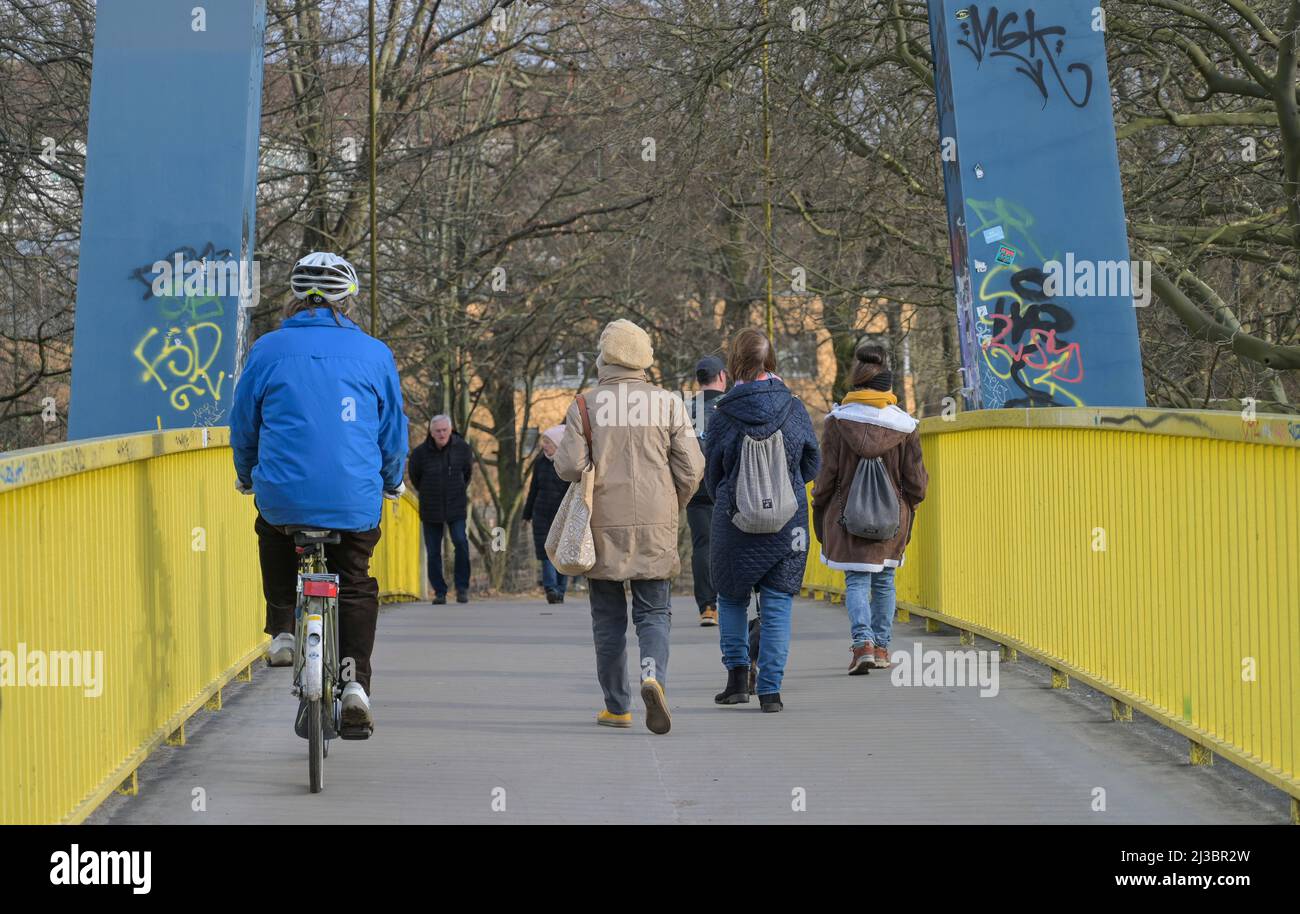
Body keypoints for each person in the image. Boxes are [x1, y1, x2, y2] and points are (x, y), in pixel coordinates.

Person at [230, 251, 408, 737]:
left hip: (284, 494)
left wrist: (247, 474)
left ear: (295, 297)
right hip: (353, 498)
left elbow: (244, 424)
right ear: (346, 301)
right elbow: (392, 432)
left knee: (272, 527)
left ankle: (284, 629)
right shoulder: (374, 353)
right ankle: (355, 686)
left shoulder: (266, 351)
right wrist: (392, 480)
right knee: (354, 578)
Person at [554, 319, 704, 735]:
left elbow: (568, 466)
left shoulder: (585, 404)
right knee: (654, 612)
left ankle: (617, 707)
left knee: (608, 619)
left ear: (605, 357)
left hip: (602, 524)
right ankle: (651, 676)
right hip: (658, 520)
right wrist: (674, 502)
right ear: (644, 359)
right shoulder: (668, 403)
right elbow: (692, 468)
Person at [704, 328, 819, 713]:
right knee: (777, 603)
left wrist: (740, 496)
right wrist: (782, 491)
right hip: (789, 525)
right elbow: (811, 463)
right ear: (771, 362)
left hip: (734, 521)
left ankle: (738, 680)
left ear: (735, 363)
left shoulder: (723, 414)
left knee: (732, 598)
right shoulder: (794, 408)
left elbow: (713, 474)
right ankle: (770, 691)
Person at [812, 341, 928, 674]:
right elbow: (916, 481)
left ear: (856, 382)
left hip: (848, 517)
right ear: (887, 387)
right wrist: (908, 505)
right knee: (885, 581)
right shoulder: (906, 425)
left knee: (857, 581)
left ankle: (861, 644)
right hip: (892, 518)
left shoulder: (837, 422)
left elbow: (827, 475)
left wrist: (819, 502)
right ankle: (881, 648)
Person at [409, 414, 474, 604]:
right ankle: (440, 591)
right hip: (430, 507)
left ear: (450, 430)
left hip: (456, 505)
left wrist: (458, 488)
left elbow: (467, 474)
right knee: (434, 551)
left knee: (461, 543)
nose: (442, 434)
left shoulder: (463, 448)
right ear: (431, 432)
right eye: (438, 431)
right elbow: (415, 477)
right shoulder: (420, 453)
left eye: (445, 430)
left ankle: (462, 588)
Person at [685, 355, 727, 626]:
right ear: (722, 376)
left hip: (695, 485)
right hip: (726, 483)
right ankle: (733, 600)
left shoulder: (685, 409)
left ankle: (708, 606)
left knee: (703, 544)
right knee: (732, 545)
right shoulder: (731, 406)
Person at [523, 425, 570, 603]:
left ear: (558, 444)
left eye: (548, 442)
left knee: (561, 554)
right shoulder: (540, 462)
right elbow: (533, 489)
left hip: (562, 515)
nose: (544, 445)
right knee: (546, 552)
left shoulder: (567, 463)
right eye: (544, 441)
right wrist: (526, 514)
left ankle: (560, 590)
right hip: (541, 513)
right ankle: (551, 589)